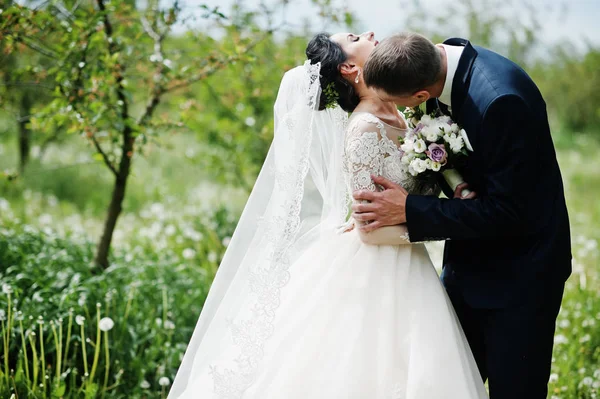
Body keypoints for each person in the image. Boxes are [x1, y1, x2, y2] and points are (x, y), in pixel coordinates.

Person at [168, 32, 488, 399]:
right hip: (379, 265)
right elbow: (368, 230)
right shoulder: (365, 128)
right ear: (350, 67)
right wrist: (445, 225)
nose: (369, 34)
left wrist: (458, 186)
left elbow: (433, 152)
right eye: (355, 38)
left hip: (408, 262)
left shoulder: (402, 107)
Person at [353, 32, 572, 399]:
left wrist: (409, 209)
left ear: (422, 96)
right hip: (467, 264)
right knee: (445, 385)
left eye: (397, 104)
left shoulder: (501, 101)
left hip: (519, 279)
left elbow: (510, 212)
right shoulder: (435, 62)